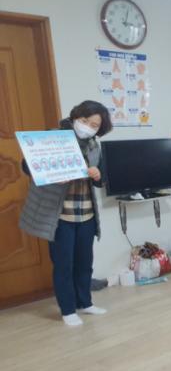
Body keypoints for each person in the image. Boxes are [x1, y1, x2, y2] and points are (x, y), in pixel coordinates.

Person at [19, 100, 113, 326]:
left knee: (85, 263)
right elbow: (26, 165)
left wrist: (97, 174)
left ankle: (85, 303)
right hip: (61, 216)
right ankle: (68, 310)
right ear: (74, 117)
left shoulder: (94, 146)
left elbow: (101, 180)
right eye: (84, 120)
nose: (87, 127)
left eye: (94, 125)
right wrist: (51, 174)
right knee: (63, 265)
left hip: (86, 214)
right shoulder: (52, 137)